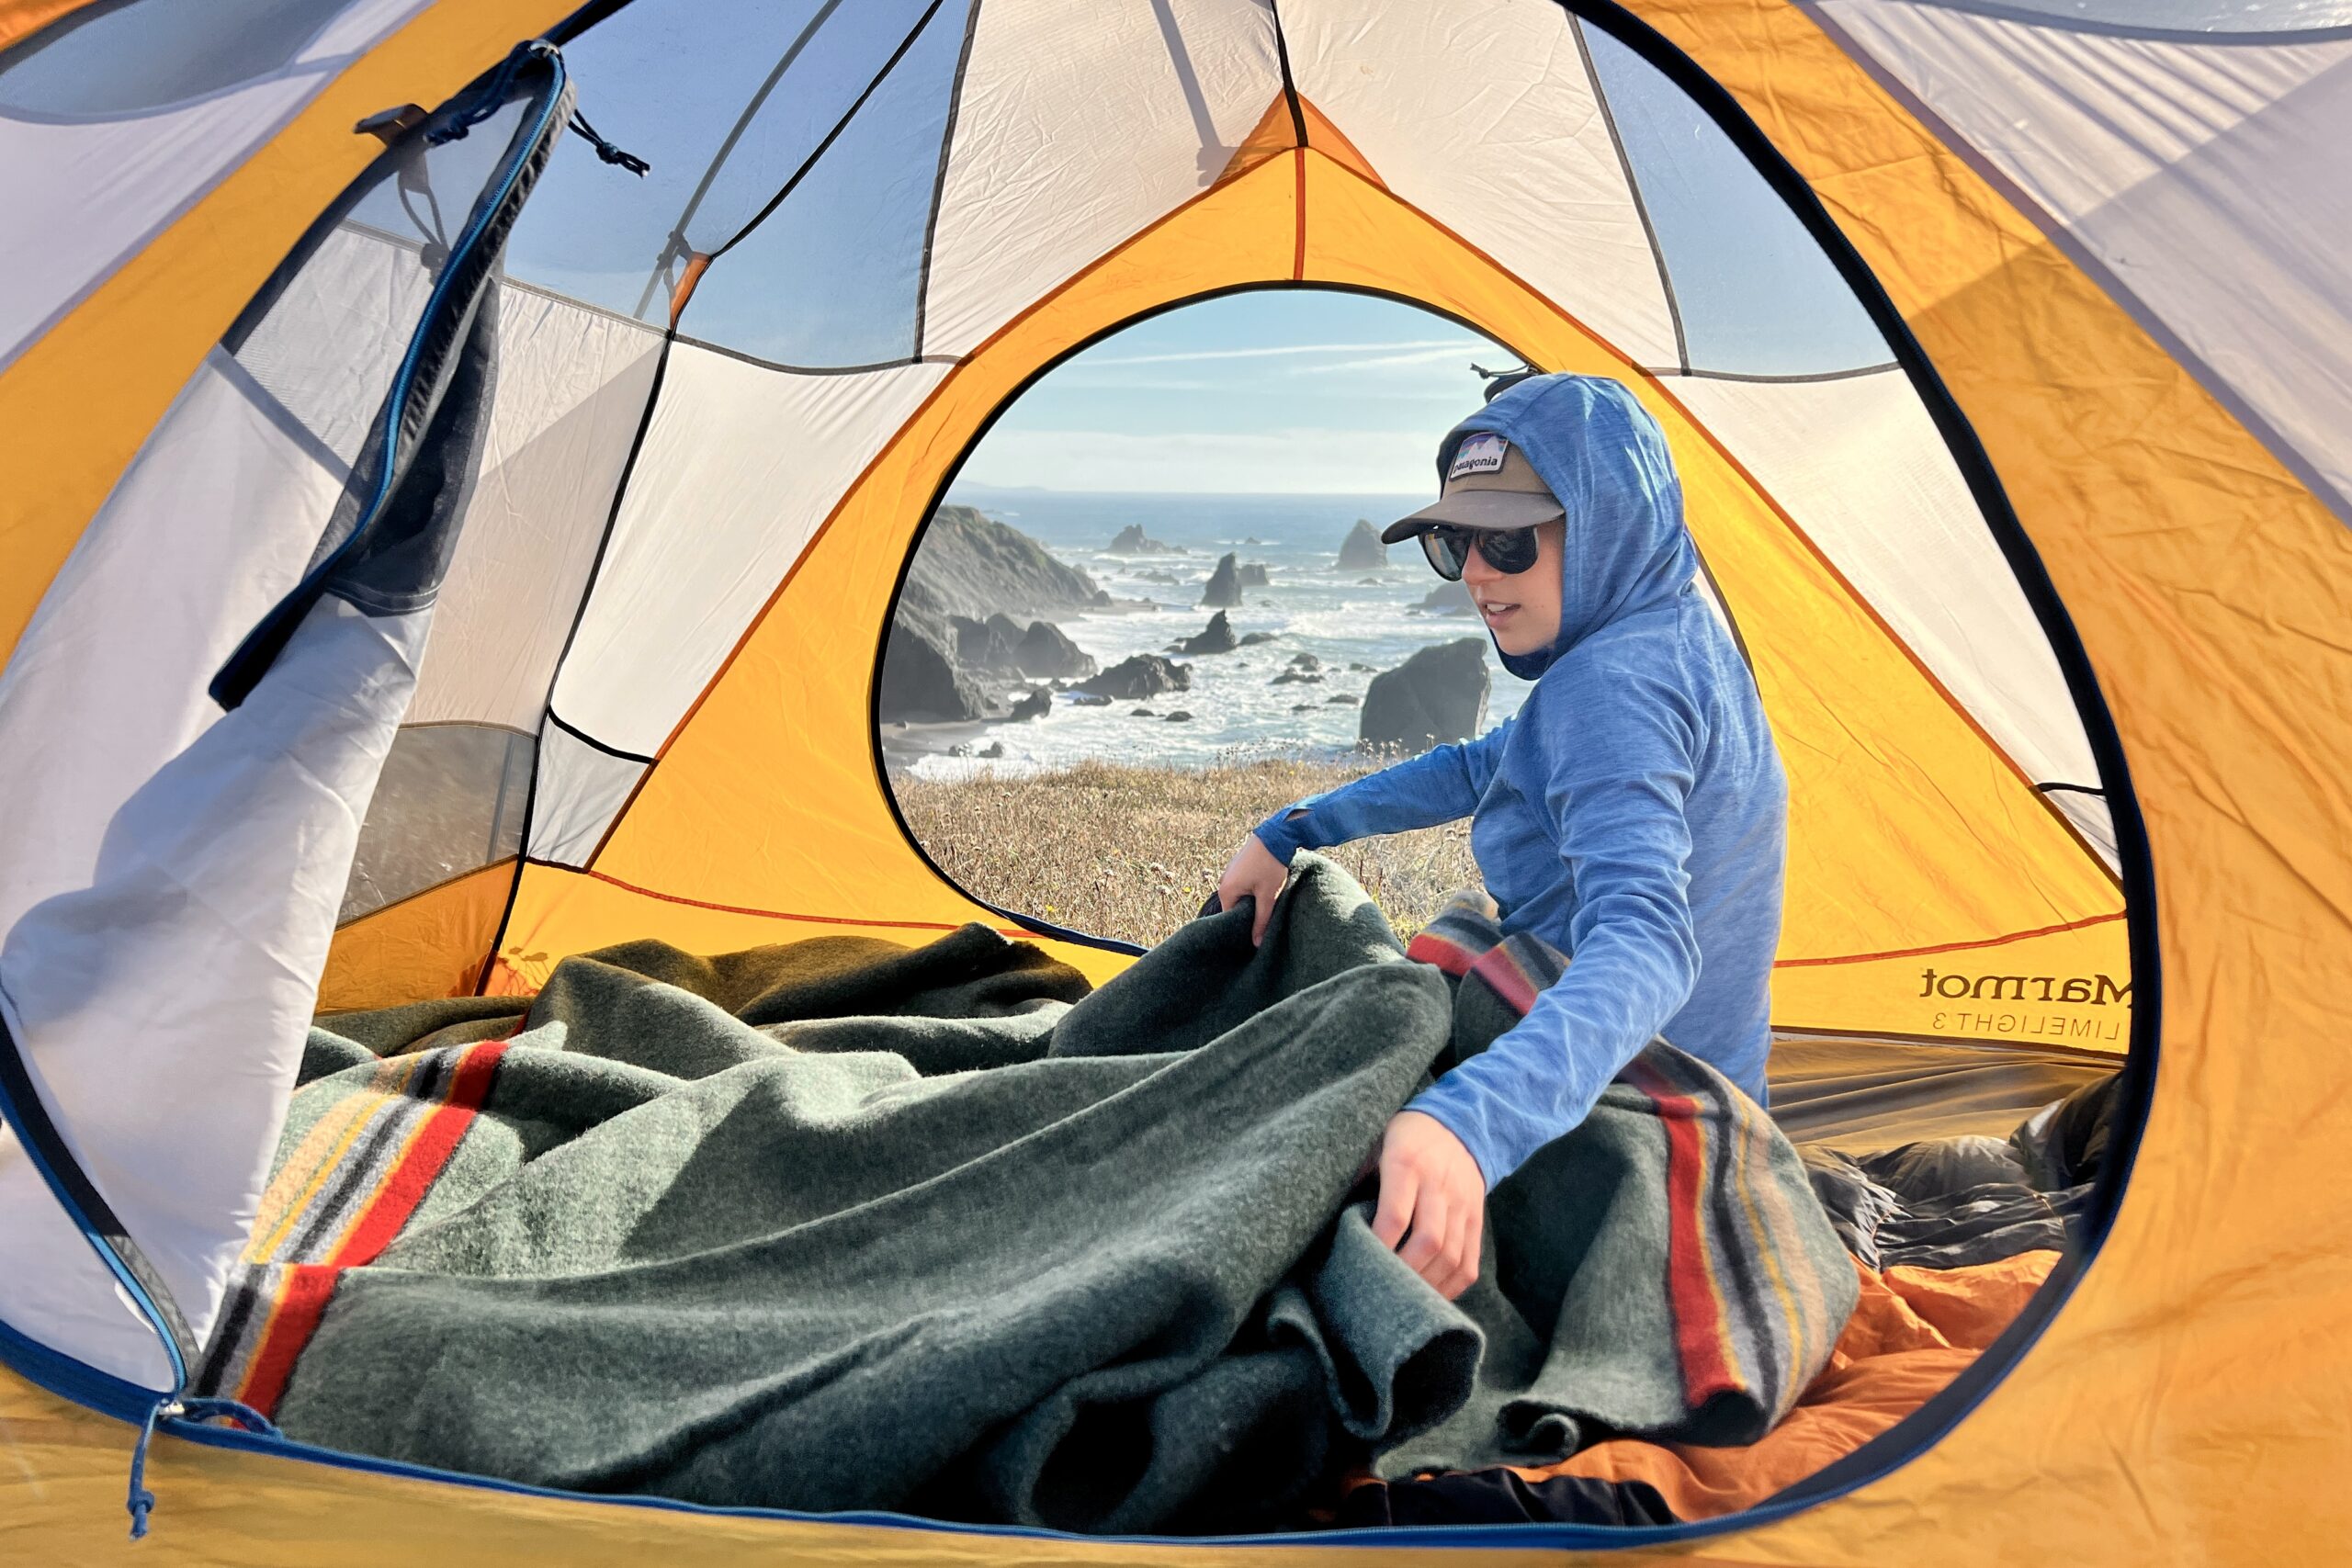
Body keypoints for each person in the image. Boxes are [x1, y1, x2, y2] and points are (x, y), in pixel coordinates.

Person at [1216, 372, 1786, 1302]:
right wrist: (1295, 829)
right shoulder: (1673, 632)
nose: (1477, 573)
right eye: (1455, 543)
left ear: (1604, 522)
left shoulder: (1612, 690)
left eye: (1509, 541)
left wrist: (1468, 1126)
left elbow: (1645, 940)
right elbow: (1491, 766)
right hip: (1714, 1096)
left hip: (1639, 1115)